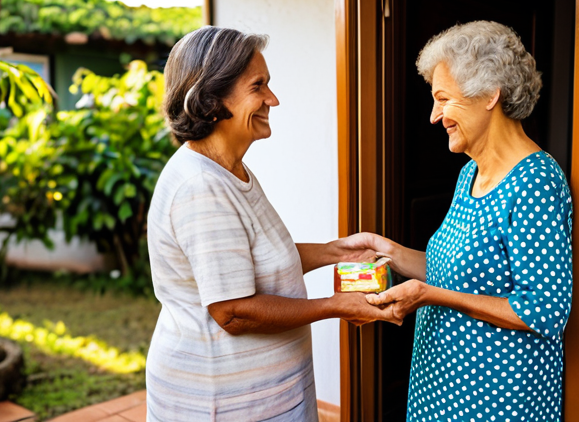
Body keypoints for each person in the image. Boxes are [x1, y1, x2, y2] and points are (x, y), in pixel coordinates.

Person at [145, 26, 399, 422]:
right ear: (212, 99)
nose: (272, 99)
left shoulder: (230, 169)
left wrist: (338, 251)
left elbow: (256, 260)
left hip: (267, 394)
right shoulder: (201, 187)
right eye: (258, 87)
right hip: (224, 402)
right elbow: (234, 311)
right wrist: (336, 305)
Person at [349, 21, 573, 422]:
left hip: (495, 400)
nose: (435, 117)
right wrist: (390, 252)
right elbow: (451, 273)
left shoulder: (536, 181)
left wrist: (428, 296)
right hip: (440, 386)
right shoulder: (469, 172)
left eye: (442, 99)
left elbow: (544, 310)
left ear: (489, 94)